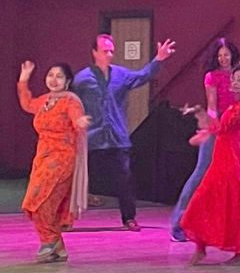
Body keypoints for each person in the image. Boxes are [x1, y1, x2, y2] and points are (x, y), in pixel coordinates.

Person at [169, 34, 240, 242]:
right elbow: (212, 106)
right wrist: (212, 128)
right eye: (220, 55)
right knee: (201, 172)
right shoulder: (212, 76)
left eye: (227, 54)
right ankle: (179, 223)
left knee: (238, 176)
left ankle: (232, 229)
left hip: (236, 128)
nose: (224, 58)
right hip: (220, 126)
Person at [74, 33, 176, 230]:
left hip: (117, 138)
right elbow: (71, 103)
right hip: (91, 139)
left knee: (125, 180)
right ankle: (64, 216)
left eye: (112, 50)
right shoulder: (82, 79)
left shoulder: (120, 75)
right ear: (94, 52)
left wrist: (159, 58)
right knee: (75, 177)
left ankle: (129, 217)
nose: (110, 54)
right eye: (105, 50)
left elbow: (142, 76)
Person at [180, 65, 240, 265]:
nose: (234, 82)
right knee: (205, 200)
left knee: (233, 205)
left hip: (235, 163)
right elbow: (221, 130)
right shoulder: (235, 106)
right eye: (234, 79)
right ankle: (201, 246)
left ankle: (238, 252)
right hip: (223, 161)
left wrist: (201, 115)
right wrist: (205, 131)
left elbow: (222, 127)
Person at [16, 61, 90, 262]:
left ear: (67, 82)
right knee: (39, 202)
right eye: (50, 75)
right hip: (42, 159)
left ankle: (48, 243)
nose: (54, 80)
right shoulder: (44, 101)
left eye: (59, 76)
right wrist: (24, 78)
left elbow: (76, 119)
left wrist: (80, 122)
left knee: (40, 201)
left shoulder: (70, 101)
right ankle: (57, 246)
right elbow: (27, 104)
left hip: (62, 159)